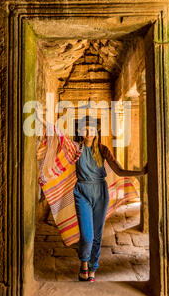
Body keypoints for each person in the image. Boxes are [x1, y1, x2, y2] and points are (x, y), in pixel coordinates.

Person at [36, 114, 148, 283]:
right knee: (87, 235)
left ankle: (93, 267)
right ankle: (84, 263)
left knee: (97, 234)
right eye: (85, 128)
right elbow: (58, 134)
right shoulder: (76, 149)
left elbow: (119, 171)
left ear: (97, 131)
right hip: (82, 191)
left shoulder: (103, 150)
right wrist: (40, 119)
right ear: (80, 131)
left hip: (100, 193)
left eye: (92, 129)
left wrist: (141, 172)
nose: (89, 132)